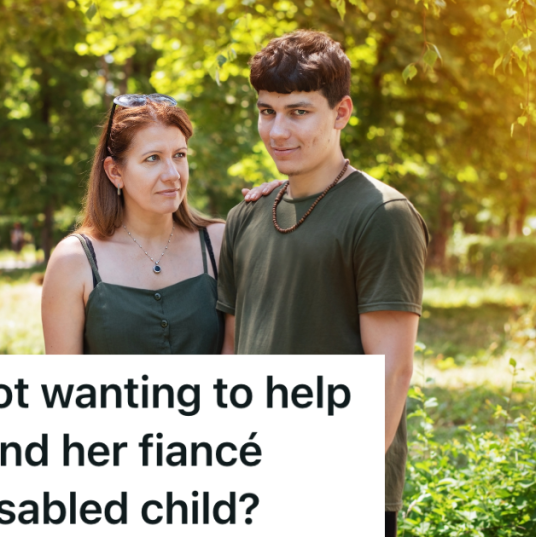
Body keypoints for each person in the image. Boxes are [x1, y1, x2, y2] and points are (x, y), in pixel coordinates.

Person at [215, 31, 428, 536]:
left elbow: (391, 372)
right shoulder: (245, 218)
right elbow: (231, 351)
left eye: (299, 112)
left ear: (341, 111)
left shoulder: (382, 215)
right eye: (267, 111)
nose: (277, 130)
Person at [41, 94, 281, 354]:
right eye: (152, 158)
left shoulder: (219, 242)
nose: (173, 174)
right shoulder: (73, 261)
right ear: (115, 172)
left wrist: (281, 205)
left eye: (179, 155)